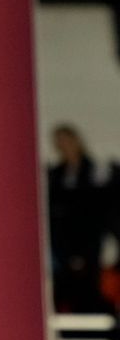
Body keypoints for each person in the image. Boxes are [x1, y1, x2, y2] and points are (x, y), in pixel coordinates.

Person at [46, 123, 120, 314]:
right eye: (59, 142)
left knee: (91, 290)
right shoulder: (55, 175)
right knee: (67, 290)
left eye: (67, 140)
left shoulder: (97, 171)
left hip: (89, 241)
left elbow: (99, 210)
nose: (64, 146)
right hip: (63, 243)